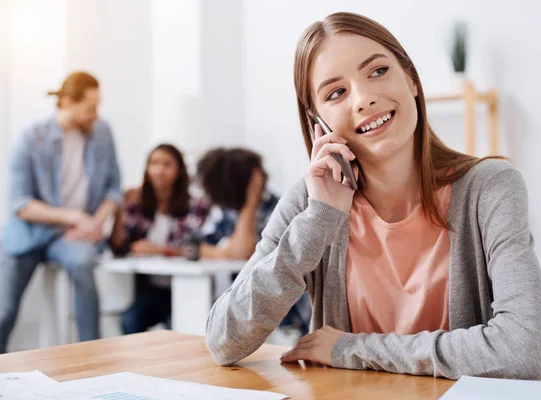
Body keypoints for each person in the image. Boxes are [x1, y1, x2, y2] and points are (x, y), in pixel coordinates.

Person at [205, 12, 541, 380]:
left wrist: (351, 349)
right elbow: (223, 340)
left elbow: (523, 350)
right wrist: (318, 221)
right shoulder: (311, 204)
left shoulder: (489, 188)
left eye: (378, 71)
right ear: (317, 122)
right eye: (336, 92)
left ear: (411, 80)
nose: (364, 98)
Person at [0, 71, 122, 352]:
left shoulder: (102, 133)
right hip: (28, 234)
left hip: (72, 237)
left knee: (84, 266)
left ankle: (90, 354)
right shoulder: (29, 139)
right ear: (67, 102)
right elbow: (20, 203)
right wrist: (74, 216)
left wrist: (95, 222)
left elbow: (114, 188)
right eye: (91, 108)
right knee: (4, 309)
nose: (96, 114)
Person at [110, 144, 265, 334]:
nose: (159, 170)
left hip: (192, 284)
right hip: (154, 287)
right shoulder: (138, 205)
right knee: (131, 318)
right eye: (154, 163)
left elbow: (198, 248)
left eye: (167, 164)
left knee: (182, 324)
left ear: (179, 170)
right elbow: (119, 246)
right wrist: (119, 205)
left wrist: (159, 250)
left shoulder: (198, 206)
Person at [197, 148, 310, 336]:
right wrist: (225, 252)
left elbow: (242, 250)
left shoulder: (276, 210)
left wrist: (250, 203)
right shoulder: (224, 211)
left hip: (281, 310)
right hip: (234, 304)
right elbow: (197, 248)